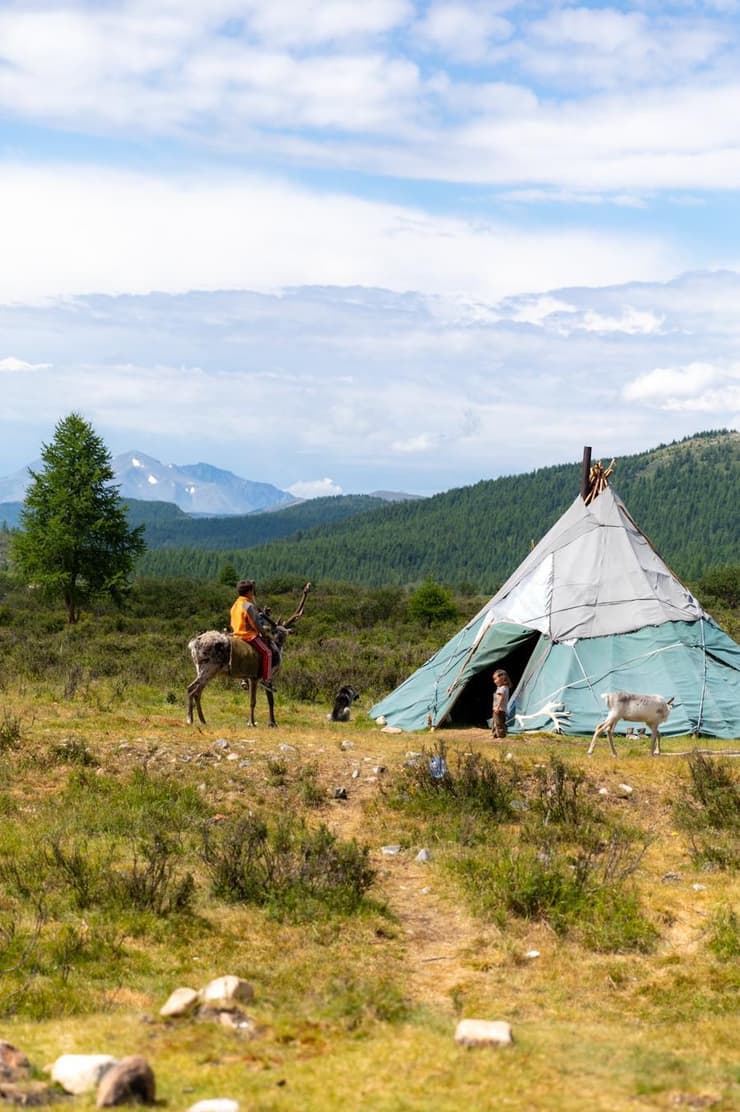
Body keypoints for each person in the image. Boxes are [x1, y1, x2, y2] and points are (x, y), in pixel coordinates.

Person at [230, 579, 273, 690]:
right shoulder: (248, 606)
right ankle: (266, 680)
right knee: (267, 652)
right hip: (247, 636)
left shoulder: (235, 605)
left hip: (235, 635)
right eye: (252, 591)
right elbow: (255, 624)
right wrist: (264, 633)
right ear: (249, 592)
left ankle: (244, 678)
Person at [491, 668, 512, 738]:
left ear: (502, 678)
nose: (494, 681)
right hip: (501, 709)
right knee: (496, 722)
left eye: (495, 679)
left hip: (499, 709)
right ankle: (495, 735)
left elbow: (501, 698)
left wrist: (497, 707)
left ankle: (501, 736)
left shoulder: (502, 688)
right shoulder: (504, 688)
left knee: (498, 723)